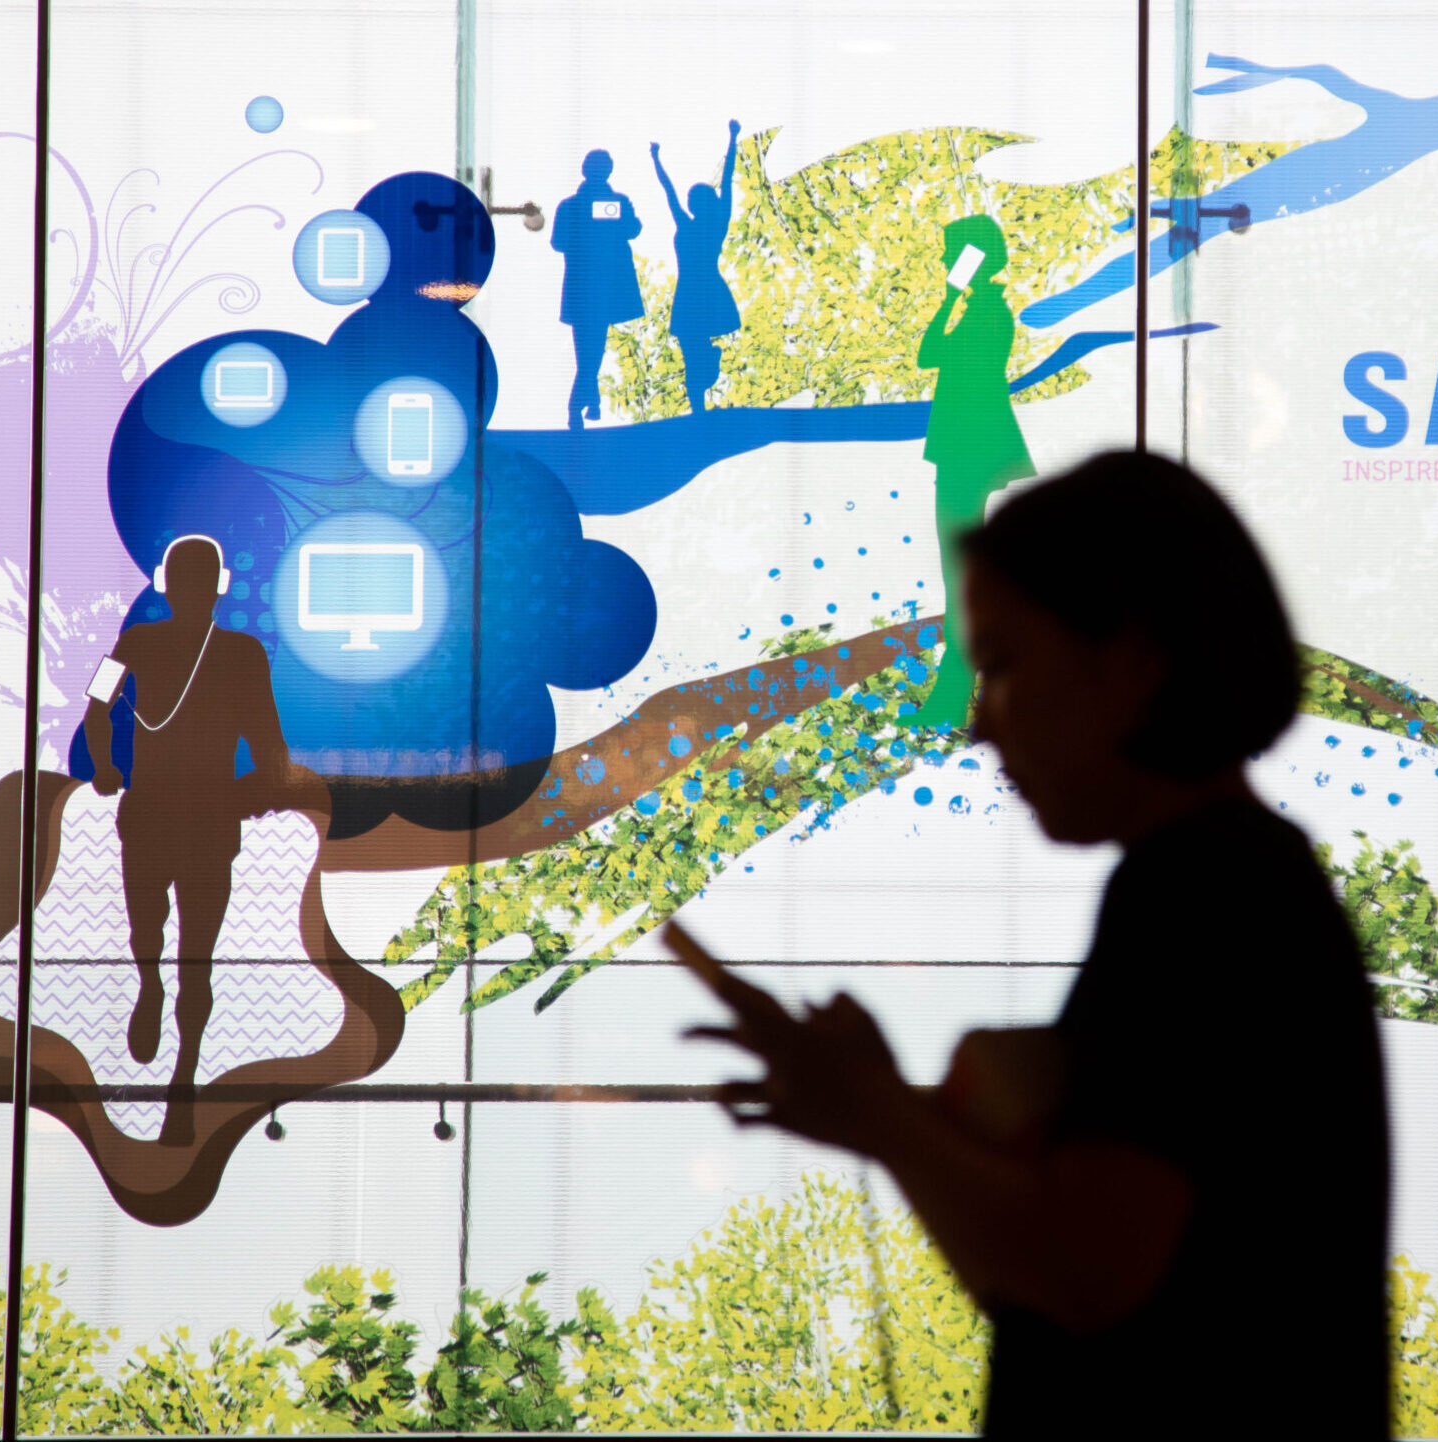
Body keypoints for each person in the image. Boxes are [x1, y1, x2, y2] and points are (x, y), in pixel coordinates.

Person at [674, 452, 1390, 1438]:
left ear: (1130, 663)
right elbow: (1049, 1282)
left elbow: (1085, 1272)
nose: (976, 723)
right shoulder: (1235, 884)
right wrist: (889, 1117)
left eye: (1004, 663)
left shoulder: (1202, 894)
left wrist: (883, 1115)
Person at [81, 534, 310, 1147]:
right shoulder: (138, 643)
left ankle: (184, 1072)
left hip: (204, 816)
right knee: (148, 932)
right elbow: (96, 709)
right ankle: (150, 986)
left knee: (198, 956)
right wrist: (104, 765)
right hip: (158, 813)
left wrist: (272, 783)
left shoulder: (241, 654)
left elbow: (268, 735)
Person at [905, 214, 1036, 731]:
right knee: (958, 576)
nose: (943, 262)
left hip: (968, 453)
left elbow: (931, 354)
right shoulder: (981, 309)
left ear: (971, 258)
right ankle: (956, 696)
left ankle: (957, 696)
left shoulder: (987, 313)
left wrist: (949, 296)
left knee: (960, 578)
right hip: (968, 451)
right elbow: (929, 354)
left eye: (951, 253)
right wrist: (948, 295)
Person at [651, 121, 743, 414]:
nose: (687, 202)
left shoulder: (715, 224)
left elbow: (728, 178)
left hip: (703, 289)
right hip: (690, 291)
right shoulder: (690, 223)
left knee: (693, 348)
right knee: (691, 350)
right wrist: (656, 160)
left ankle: (701, 392)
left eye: (693, 199)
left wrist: (732, 138)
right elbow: (668, 191)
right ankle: (698, 407)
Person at [552, 149, 645, 429]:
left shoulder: (599, 203)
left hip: (598, 285)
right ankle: (584, 403)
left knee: (590, 349)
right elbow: (559, 241)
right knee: (590, 350)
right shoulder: (572, 207)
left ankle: (586, 403)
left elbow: (632, 229)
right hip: (590, 285)